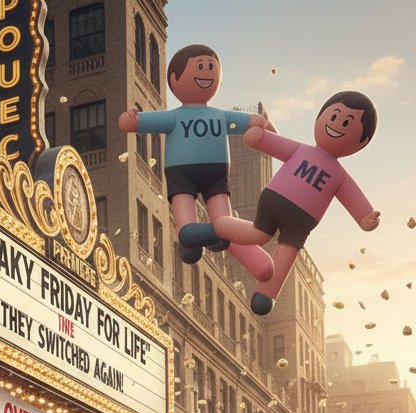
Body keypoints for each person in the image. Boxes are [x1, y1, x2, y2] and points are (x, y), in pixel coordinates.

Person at [210, 91, 380, 314]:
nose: (337, 124)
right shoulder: (301, 150)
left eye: (347, 122)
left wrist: (365, 216)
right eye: (334, 116)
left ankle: (264, 292)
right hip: (276, 202)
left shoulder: (340, 176)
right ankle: (220, 228)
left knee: (285, 251)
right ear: (320, 116)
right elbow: (272, 143)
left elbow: (353, 198)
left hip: (300, 222)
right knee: (261, 235)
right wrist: (259, 138)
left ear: (362, 142)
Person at [119, 43, 272, 278]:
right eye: (200, 66)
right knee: (192, 232)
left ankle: (208, 238)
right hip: (183, 175)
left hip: (214, 177)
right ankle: (207, 237)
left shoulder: (218, 115)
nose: (206, 72)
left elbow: (248, 121)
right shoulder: (175, 117)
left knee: (215, 229)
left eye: (211, 67)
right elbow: (140, 122)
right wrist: (132, 121)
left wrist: (257, 121)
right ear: (174, 78)